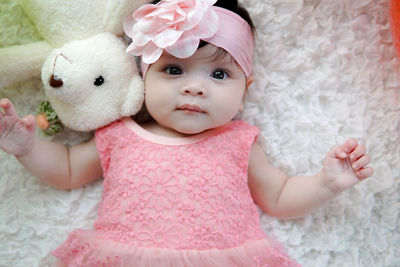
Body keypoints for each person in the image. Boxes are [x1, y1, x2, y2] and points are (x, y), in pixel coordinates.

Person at [0, 0, 373, 266]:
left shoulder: (238, 141)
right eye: (174, 71)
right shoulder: (121, 135)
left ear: (246, 89)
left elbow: (278, 196)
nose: (195, 88)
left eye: (219, 74)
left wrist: (327, 182)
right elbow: (66, 170)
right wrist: (27, 147)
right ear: (144, 77)